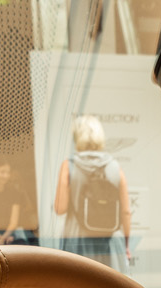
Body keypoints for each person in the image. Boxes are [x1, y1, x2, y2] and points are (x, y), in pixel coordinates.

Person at [54, 115, 132, 272]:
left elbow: (60, 208)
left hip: (77, 240)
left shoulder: (68, 166)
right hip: (108, 242)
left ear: (76, 137)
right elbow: (126, 211)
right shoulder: (115, 167)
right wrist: (126, 245)